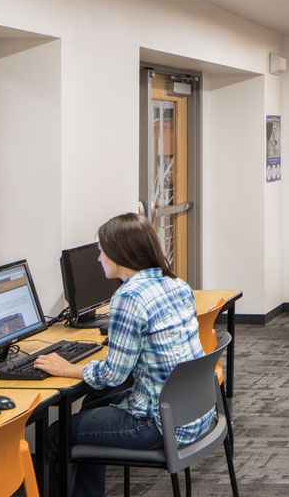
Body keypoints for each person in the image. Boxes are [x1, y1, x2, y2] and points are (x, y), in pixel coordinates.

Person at [36, 213, 212, 497]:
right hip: (193, 412)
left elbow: (112, 375)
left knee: (57, 434)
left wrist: (66, 368)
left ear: (120, 254)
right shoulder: (176, 283)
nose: (98, 258)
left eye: (101, 251)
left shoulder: (129, 298)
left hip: (158, 424)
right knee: (92, 404)